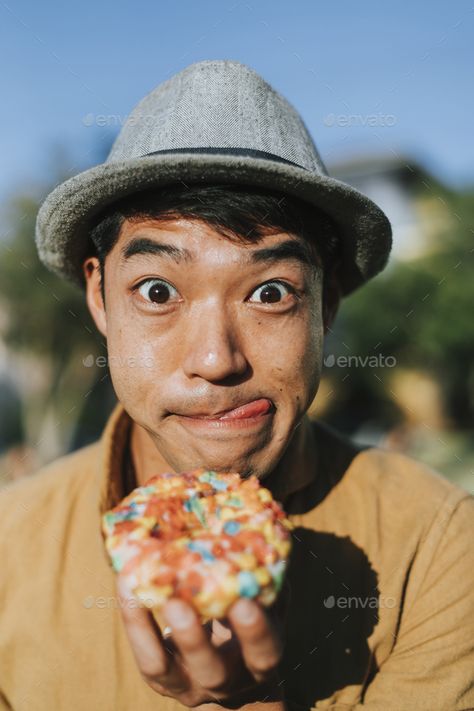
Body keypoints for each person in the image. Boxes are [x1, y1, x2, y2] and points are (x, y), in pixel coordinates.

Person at [0, 60, 472, 711]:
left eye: (270, 293)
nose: (216, 359)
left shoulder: (441, 549)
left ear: (326, 306)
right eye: (158, 291)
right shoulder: (9, 548)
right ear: (100, 297)